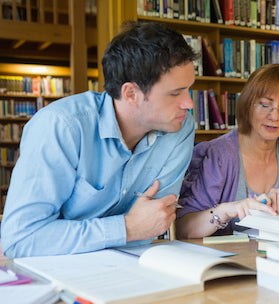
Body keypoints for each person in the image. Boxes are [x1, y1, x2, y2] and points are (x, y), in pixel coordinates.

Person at [0, 21, 197, 258]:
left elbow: (154, 222)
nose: (189, 103)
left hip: (128, 268)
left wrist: (135, 229)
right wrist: (127, 227)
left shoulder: (181, 127)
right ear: (131, 94)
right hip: (52, 271)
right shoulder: (61, 126)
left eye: (189, 89)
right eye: (175, 93)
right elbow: (21, 239)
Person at [176, 63, 279, 238]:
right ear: (248, 104)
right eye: (265, 105)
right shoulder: (218, 155)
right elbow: (183, 228)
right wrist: (225, 211)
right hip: (229, 261)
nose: (274, 116)